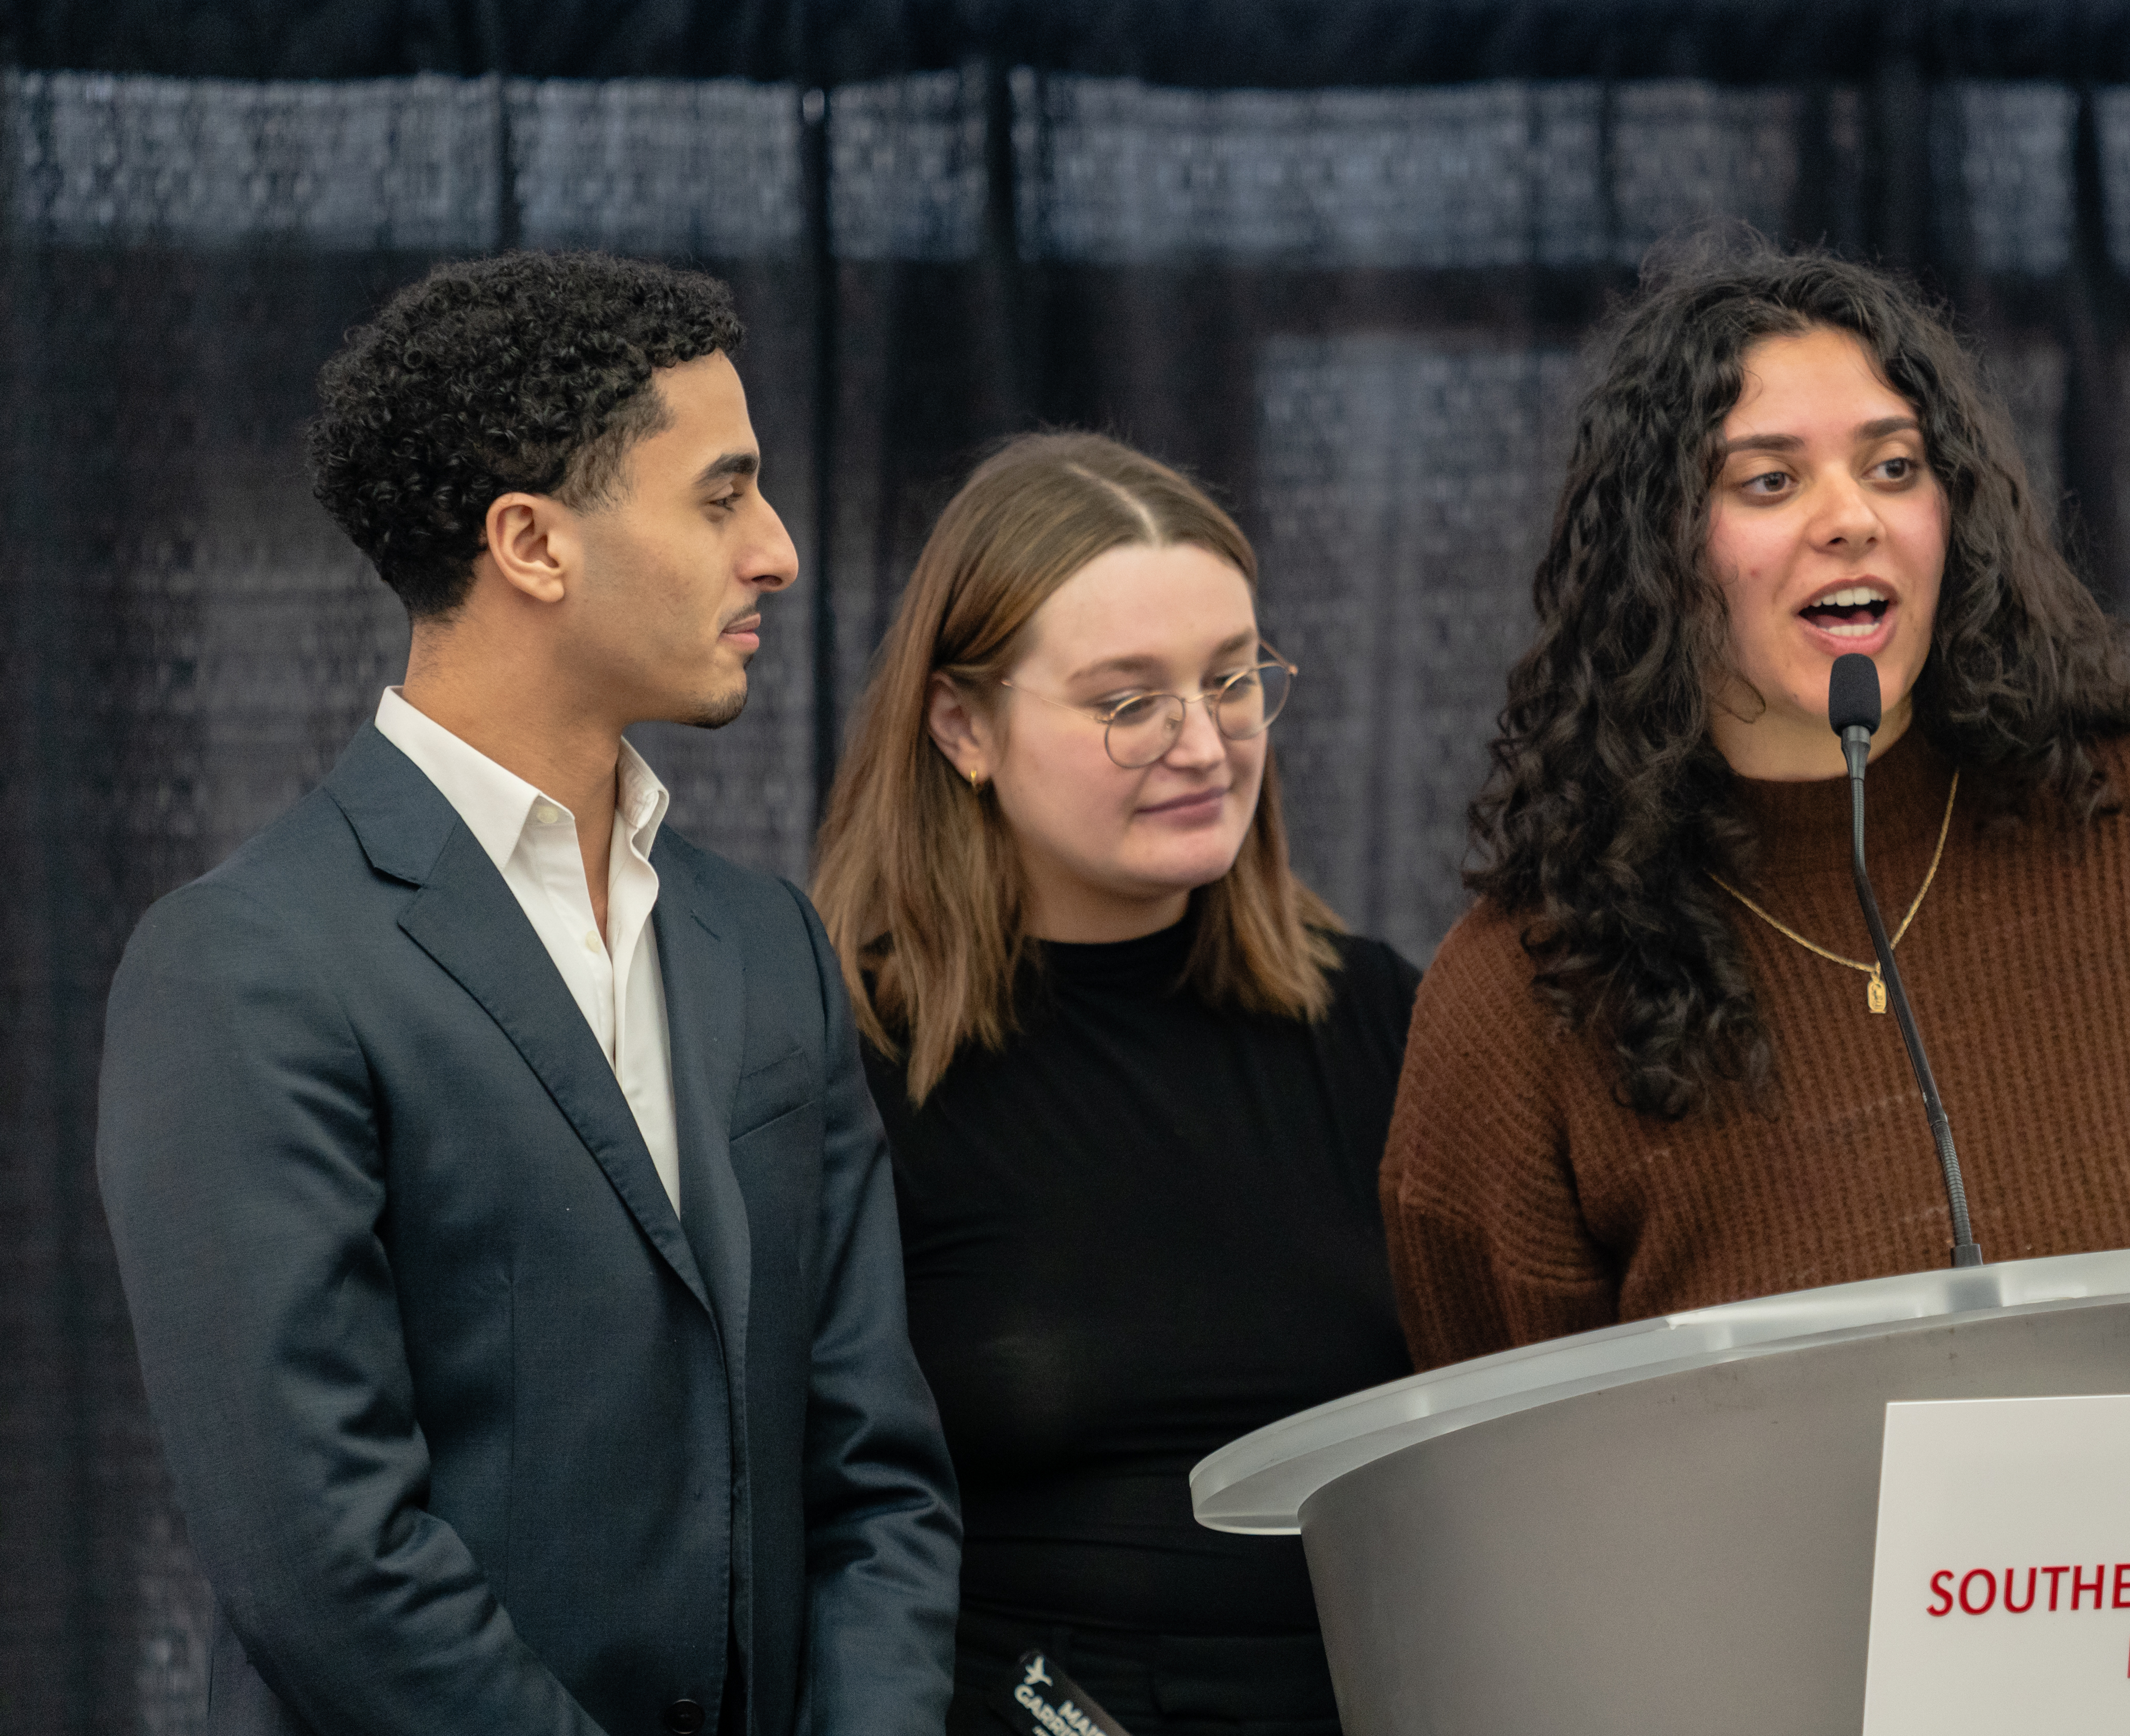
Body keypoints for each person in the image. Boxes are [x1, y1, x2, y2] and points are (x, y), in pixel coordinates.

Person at [96, 252, 961, 1736]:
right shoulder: (247, 962)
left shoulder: (767, 943)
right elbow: (323, 1560)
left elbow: (875, 1470)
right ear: (532, 543)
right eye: (722, 496)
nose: (776, 552)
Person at [1382, 243, 2130, 1371]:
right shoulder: (1523, 993)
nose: (1850, 517)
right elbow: (1514, 1447)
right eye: (1769, 481)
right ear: (1657, 553)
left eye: (1895, 467)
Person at [813, 433, 1419, 1735]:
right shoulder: (845, 1061)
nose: (1203, 743)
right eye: (1128, 700)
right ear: (962, 726)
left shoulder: (1377, 1016)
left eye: (1232, 678)